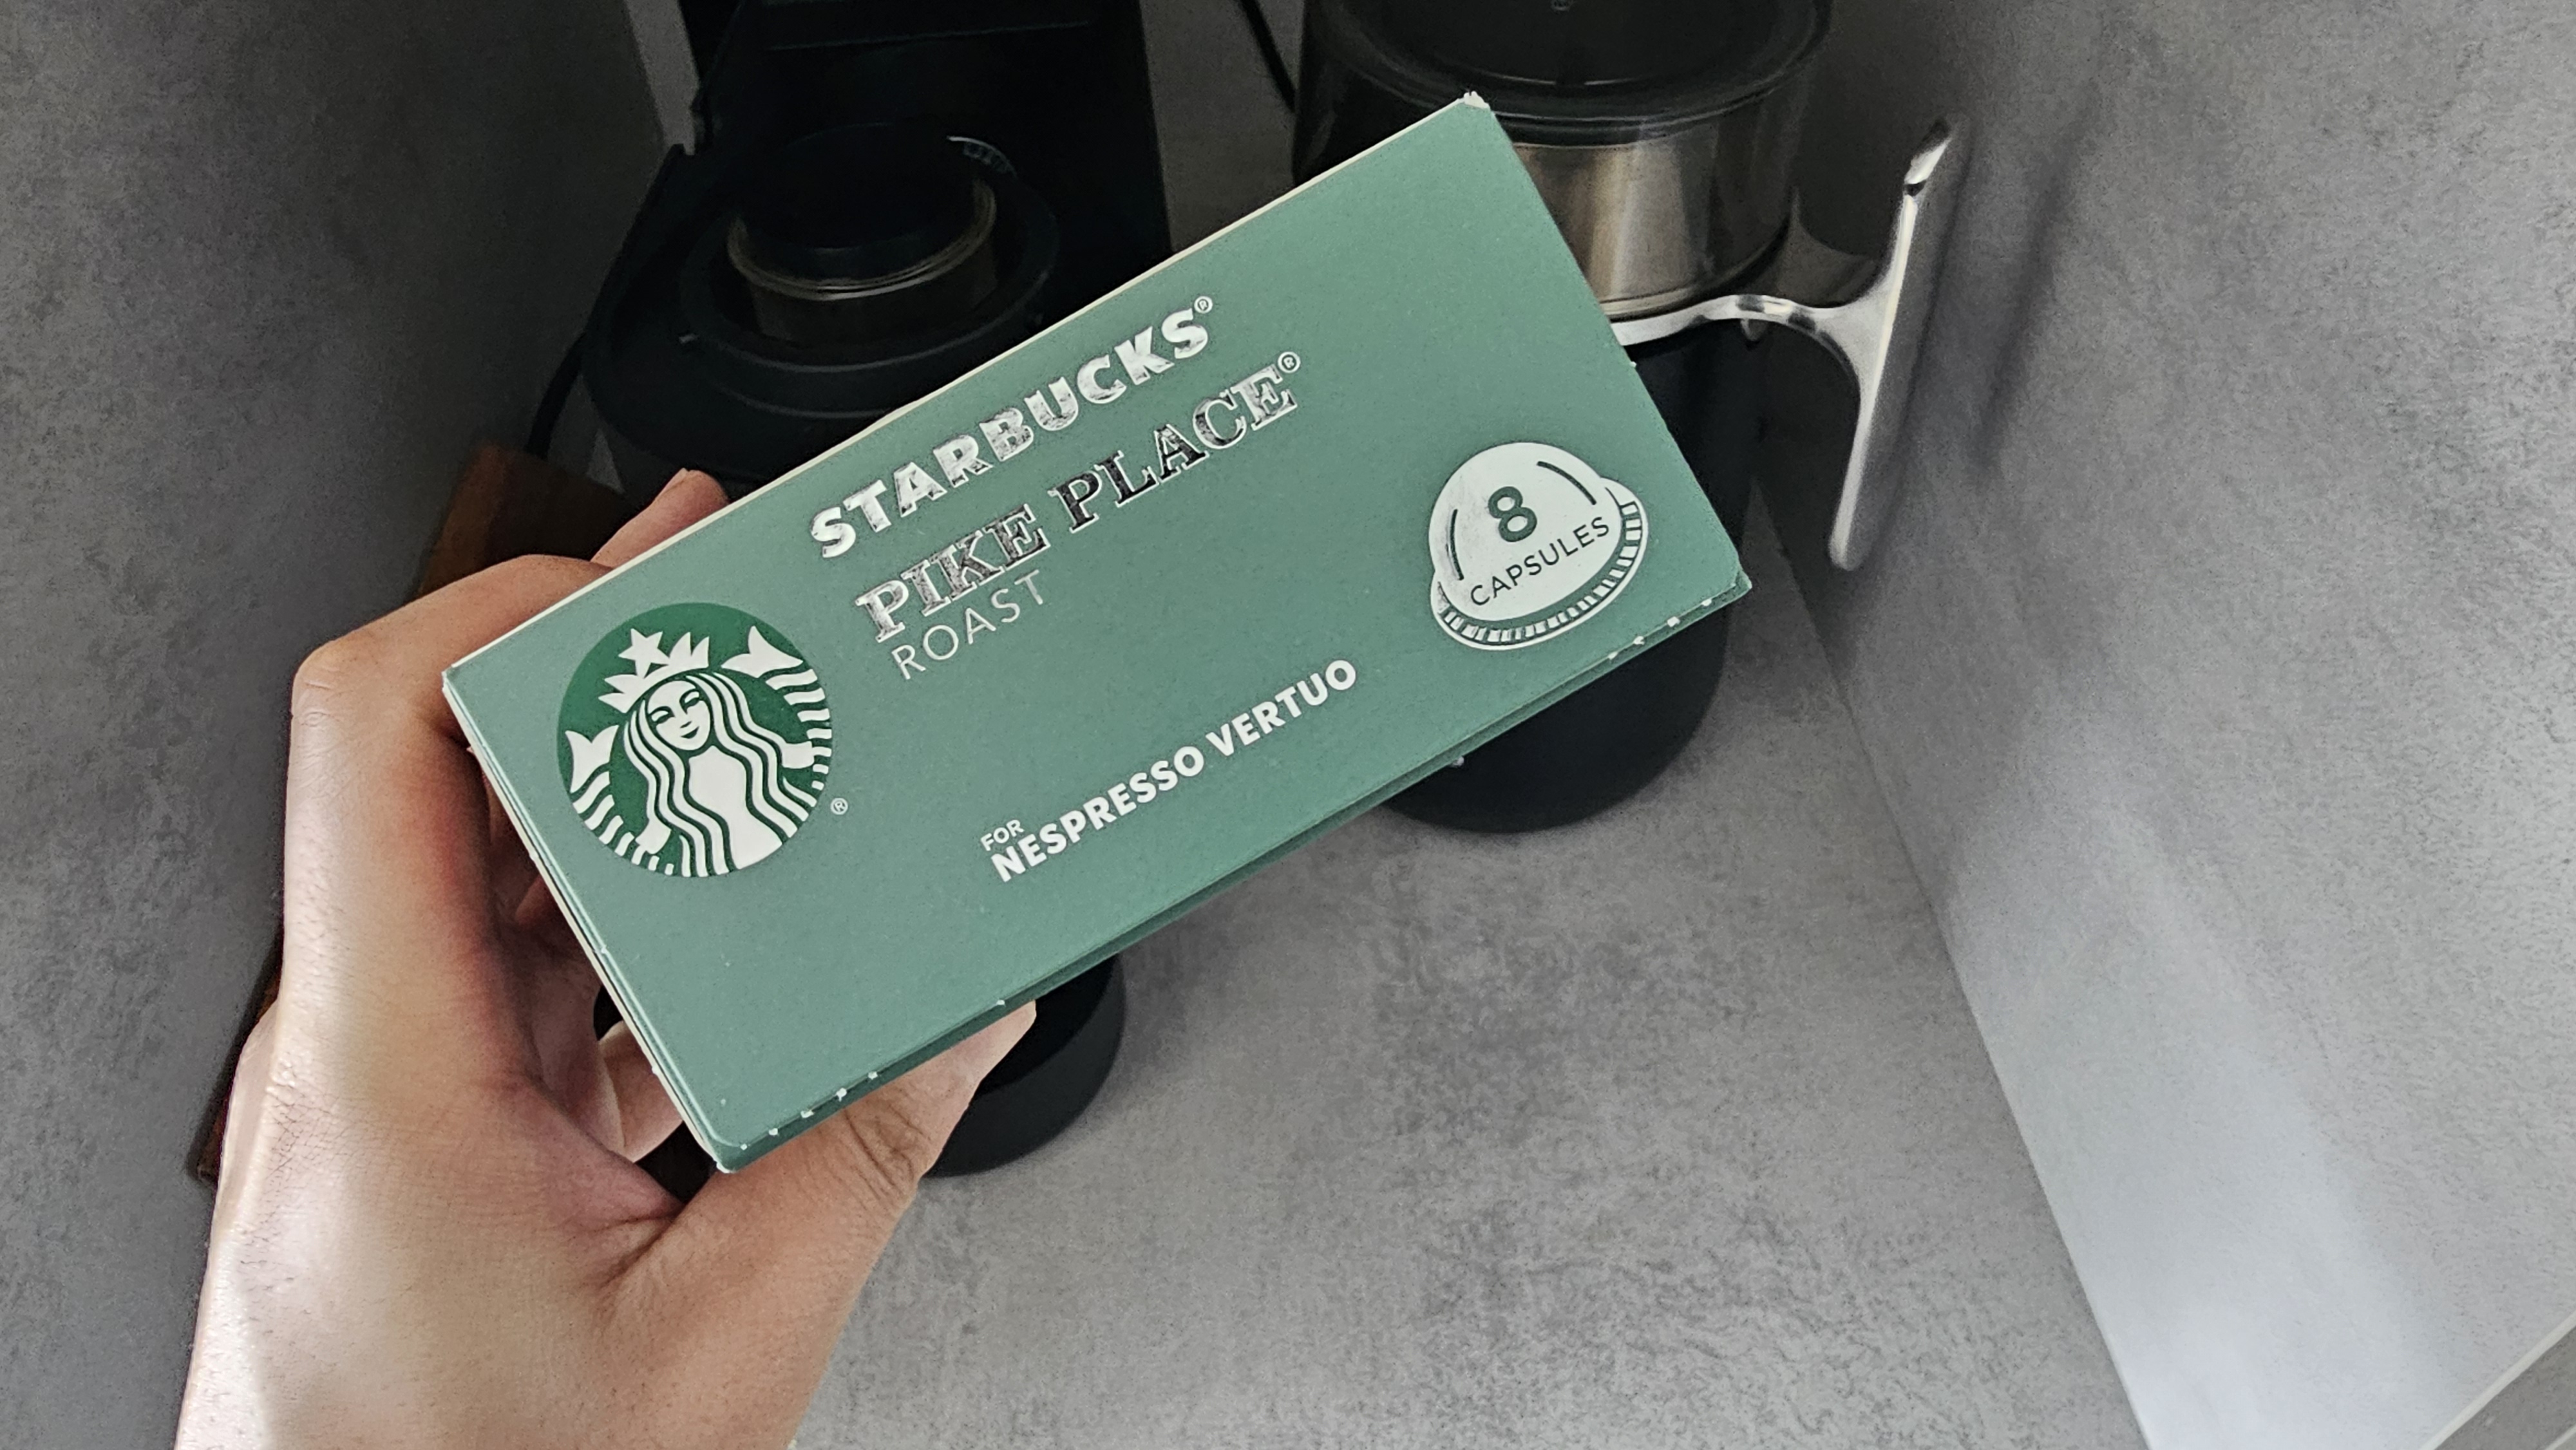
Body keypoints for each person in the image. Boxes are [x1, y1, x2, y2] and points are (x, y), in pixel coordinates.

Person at [175, 471, 1033, 1448]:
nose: (679, 720)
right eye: (659, 718)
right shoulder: (680, 828)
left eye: (691, 702)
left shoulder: (773, 778)